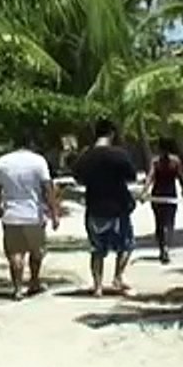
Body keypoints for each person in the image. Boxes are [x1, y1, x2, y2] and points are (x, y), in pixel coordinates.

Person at [0, 131, 60, 300]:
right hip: (33, 214)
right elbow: (48, 187)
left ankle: (17, 289)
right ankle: (34, 282)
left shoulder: (3, 161)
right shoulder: (38, 161)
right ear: (31, 144)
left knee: (15, 253)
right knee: (37, 252)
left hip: (12, 214)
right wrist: (54, 213)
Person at [73, 118, 137, 297]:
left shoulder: (86, 155)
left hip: (94, 206)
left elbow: (77, 177)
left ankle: (98, 286)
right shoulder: (119, 154)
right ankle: (118, 277)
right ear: (112, 133)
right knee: (126, 245)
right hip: (118, 207)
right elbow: (132, 176)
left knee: (97, 249)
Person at [140, 137, 183, 264]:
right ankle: (165, 248)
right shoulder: (174, 161)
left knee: (160, 223)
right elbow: (180, 176)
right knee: (167, 222)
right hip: (168, 195)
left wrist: (144, 191)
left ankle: (163, 248)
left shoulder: (157, 162)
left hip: (160, 195)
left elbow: (150, 177)